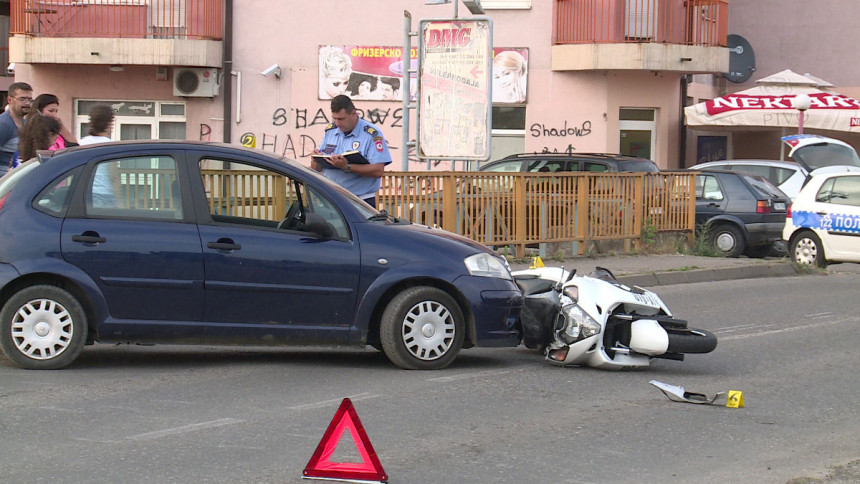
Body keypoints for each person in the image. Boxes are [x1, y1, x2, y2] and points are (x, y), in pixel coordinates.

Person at [311, 95, 391, 207]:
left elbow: (378, 170)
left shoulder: (371, 134)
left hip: (359, 201)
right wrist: (315, 160)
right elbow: (317, 169)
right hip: (330, 198)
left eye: (341, 119)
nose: (337, 123)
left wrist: (347, 166)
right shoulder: (331, 131)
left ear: (353, 114)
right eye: (334, 118)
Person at [78, 104, 116, 207]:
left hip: (84, 194)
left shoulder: (81, 143)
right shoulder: (111, 146)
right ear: (108, 124)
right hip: (105, 194)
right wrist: (121, 201)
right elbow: (113, 177)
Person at [0, 82, 34, 175]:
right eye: (22, 99)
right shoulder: (4, 125)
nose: (27, 103)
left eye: (30, 99)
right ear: (10, 100)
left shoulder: (25, 124)